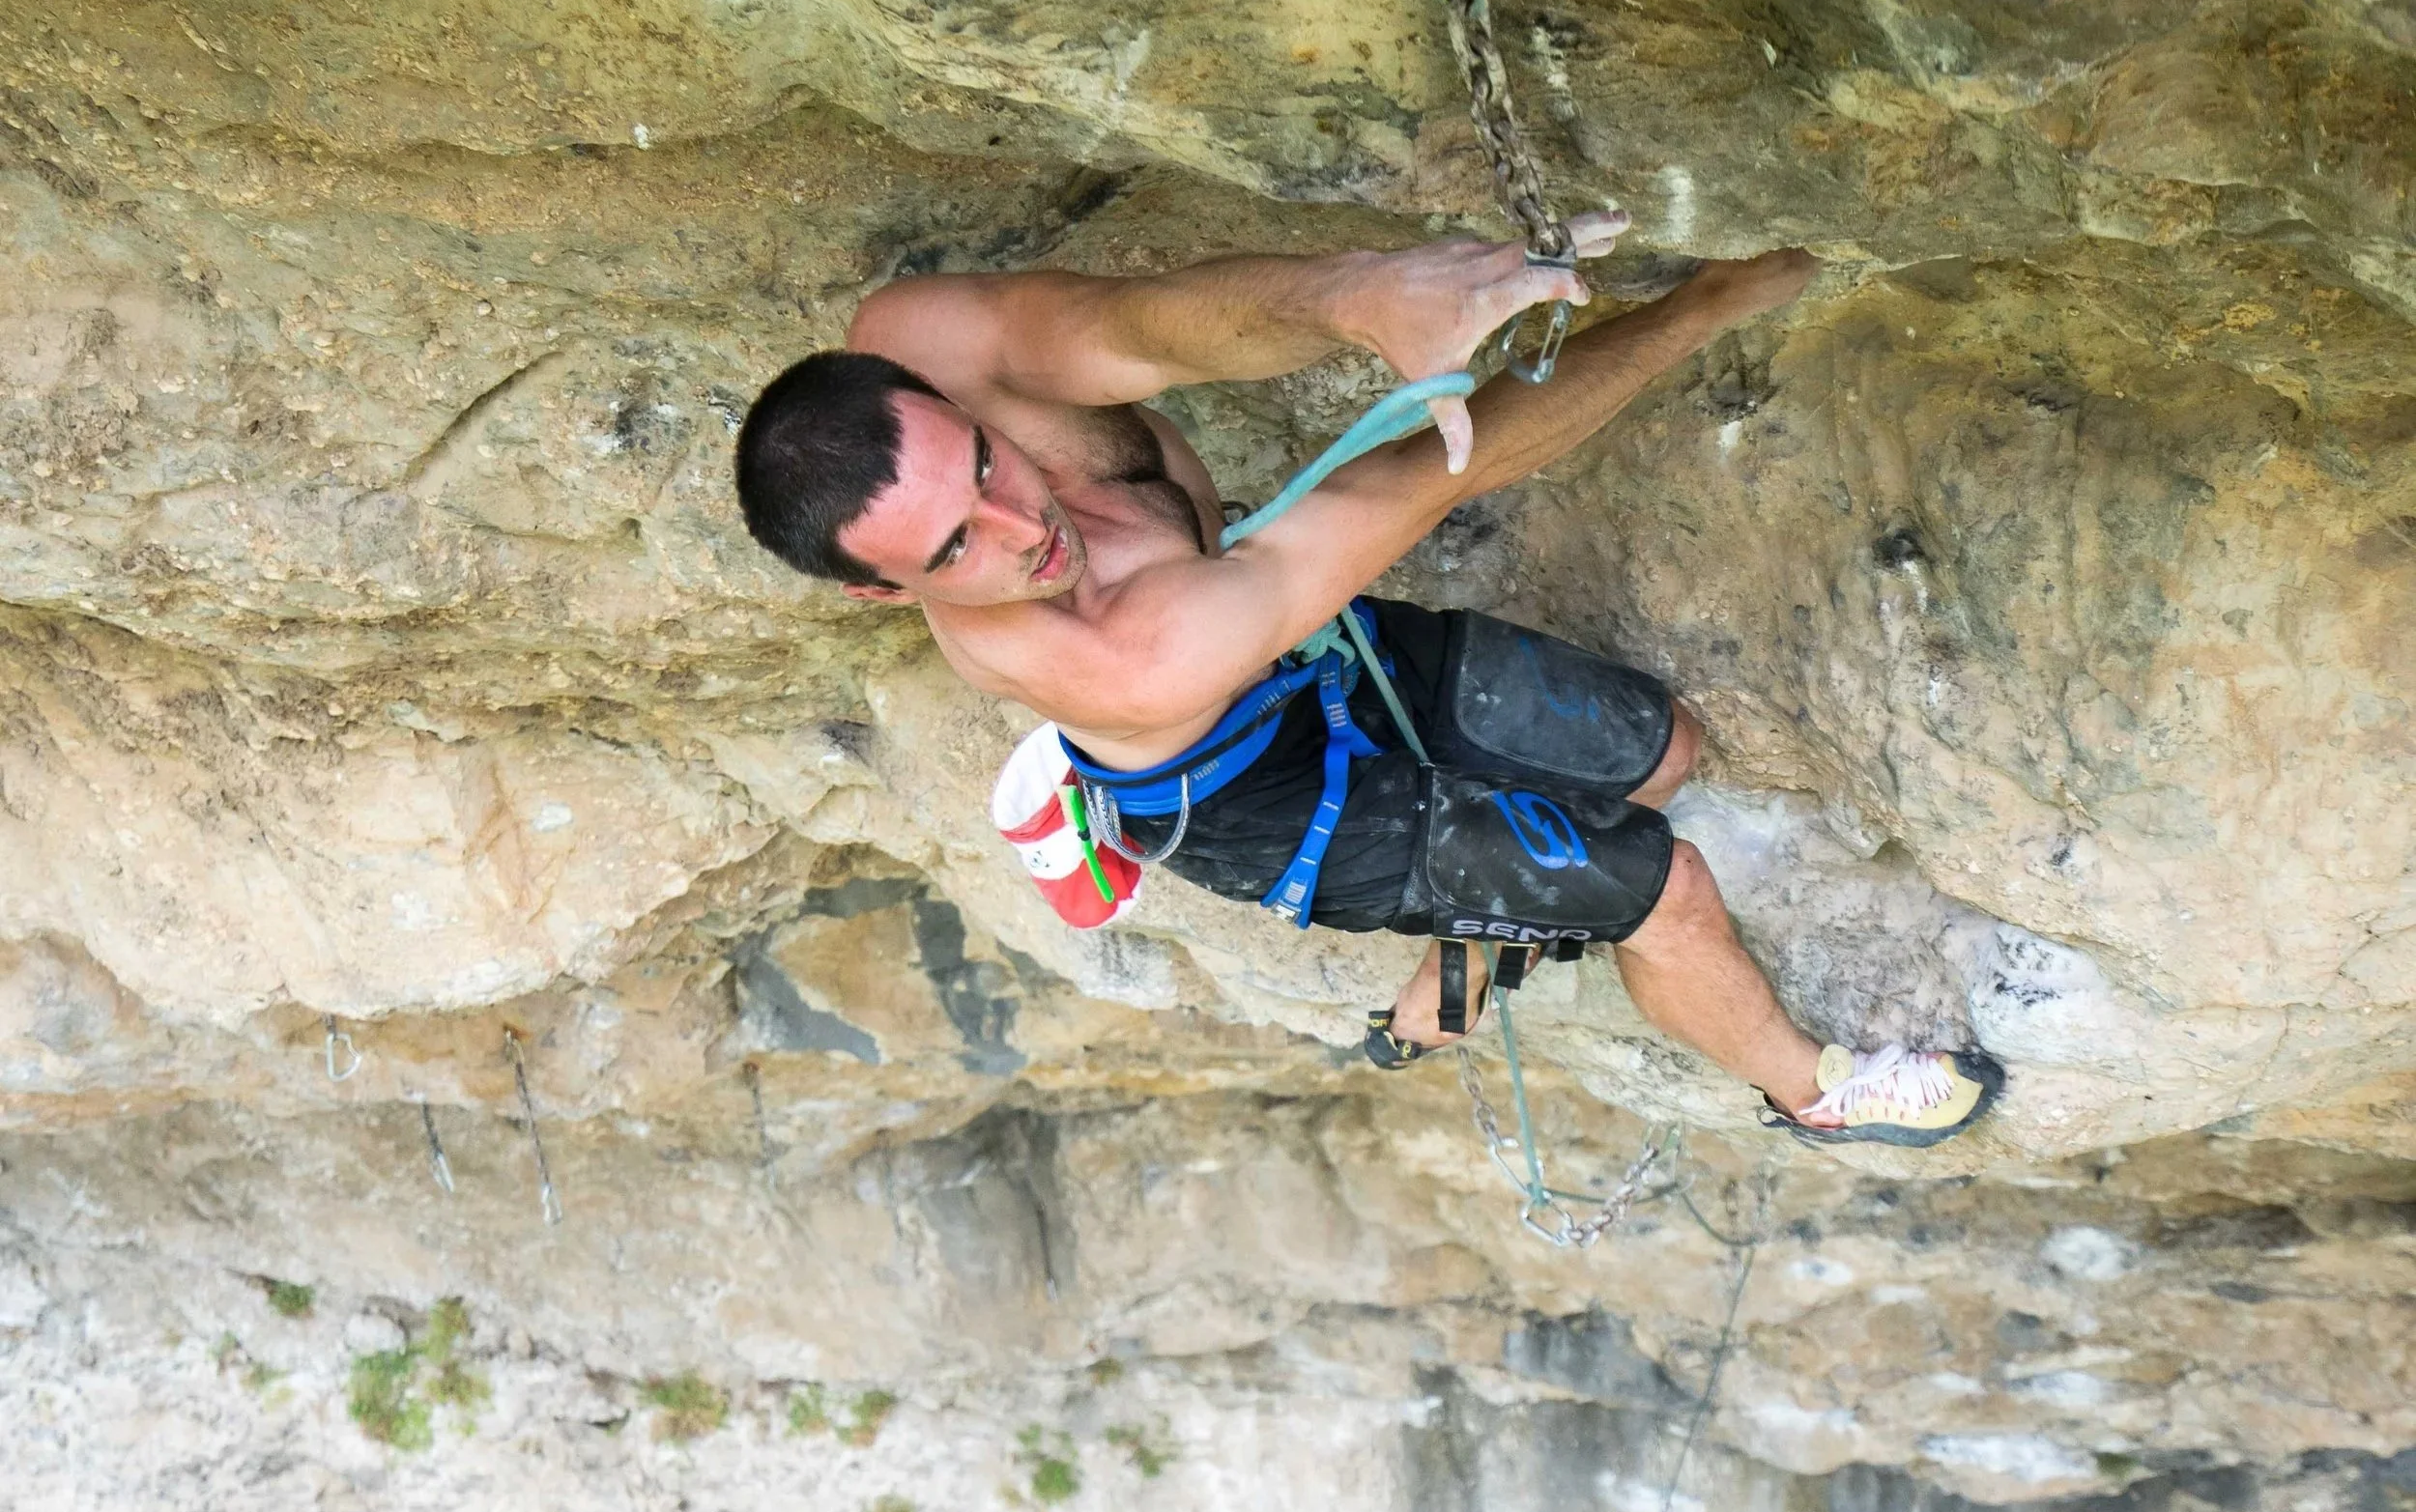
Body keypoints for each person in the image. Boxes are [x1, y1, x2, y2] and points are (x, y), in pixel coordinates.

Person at [733, 220, 1999, 1147]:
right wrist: (1711, 302)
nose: (1024, 527)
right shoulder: (1134, 642)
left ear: (938, 397)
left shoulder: (915, 344)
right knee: (1659, 881)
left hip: (1293, 651)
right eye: (959, 549)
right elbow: (1447, 466)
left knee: (1658, 749)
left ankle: (1459, 966)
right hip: (1263, 795)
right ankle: (1815, 1092)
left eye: (989, 468)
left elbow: (1139, 321)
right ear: (879, 593)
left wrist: (1362, 296)